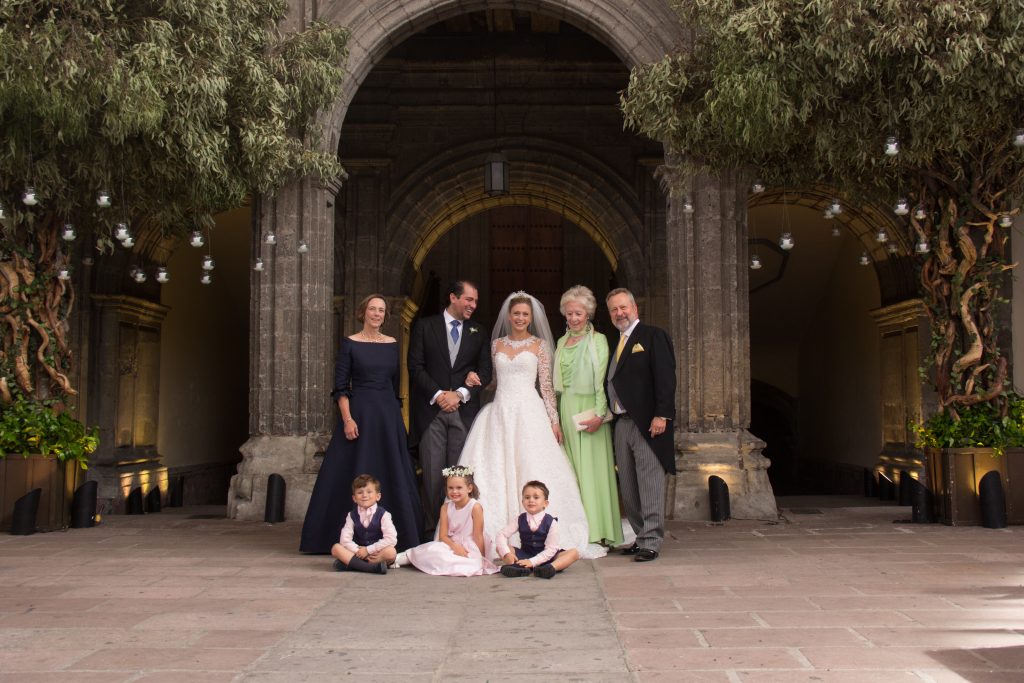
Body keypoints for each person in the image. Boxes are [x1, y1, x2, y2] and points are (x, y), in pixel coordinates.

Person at [456, 291, 605, 559]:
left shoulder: (539, 345)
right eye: (517, 314)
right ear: (509, 316)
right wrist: (475, 378)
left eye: (525, 314)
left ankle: (540, 529)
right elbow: (493, 381)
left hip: (530, 412)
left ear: (531, 317)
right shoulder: (497, 344)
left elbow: (546, 387)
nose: (521, 318)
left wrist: (554, 421)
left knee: (531, 464)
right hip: (499, 413)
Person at [300, 295, 422, 554]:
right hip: (360, 414)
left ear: (385, 315)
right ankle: (342, 537)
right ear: (362, 312)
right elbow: (341, 388)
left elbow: (394, 384)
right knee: (352, 467)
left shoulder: (392, 344)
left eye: (381, 310)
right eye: (372, 309)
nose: (377, 314)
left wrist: (398, 421)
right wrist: (347, 419)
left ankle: (397, 537)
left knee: (393, 469)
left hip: (387, 414)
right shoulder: (350, 344)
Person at [408, 280, 493, 539]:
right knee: (433, 475)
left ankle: (457, 531)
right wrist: (438, 394)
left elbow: (485, 372)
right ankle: (432, 532)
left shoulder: (478, 331)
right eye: (469, 300)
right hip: (431, 412)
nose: (473, 305)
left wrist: (459, 394)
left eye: (476, 301)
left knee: (459, 476)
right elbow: (415, 366)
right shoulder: (424, 326)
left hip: (463, 412)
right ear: (453, 298)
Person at [605, 288, 677, 562]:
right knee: (629, 485)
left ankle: (652, 540)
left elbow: (666, 378)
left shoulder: (653, 336)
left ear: (634, 308)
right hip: (622, 423)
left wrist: (662, 415)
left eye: (623, 307)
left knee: (649, 482)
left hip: (648, 422)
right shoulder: (618, 343)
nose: (619, 313)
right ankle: (639, 535)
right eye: (614, 309)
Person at [554, 285, 624, 547]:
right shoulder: (561, 342)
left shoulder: (599, 340)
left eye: (578, 313)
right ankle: (576, 529)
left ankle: (598, 530)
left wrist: (599, 414)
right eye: (569, 313)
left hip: (592, 410)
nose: (573, 318)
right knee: (571, 471)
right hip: (567, 408)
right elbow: (557, 387)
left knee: (593, 471)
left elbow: (603, 381)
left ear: (588, 314)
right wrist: (556, 420)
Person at [400, 465, 498, 576]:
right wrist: (455, 547)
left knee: (470, 564)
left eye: (459, 488)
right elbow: (443, 536)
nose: (454, 491)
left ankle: (413, 560)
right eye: (450, 488)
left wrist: (482, 559)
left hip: (471, 546)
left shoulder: (475, 507)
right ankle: (400, 559)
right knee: (432, 550)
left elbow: (478, 536)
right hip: (451, 544)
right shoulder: (445, 508)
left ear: (469, 488)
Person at [496, 480, 580, 579]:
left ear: (545, 503)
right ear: (523, 502)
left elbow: (551, 549)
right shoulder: (519, 519)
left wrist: (533, 562)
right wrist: (507, 553)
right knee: (501, 548)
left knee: (574, 553)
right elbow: (501, 535)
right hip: (526, 555)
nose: (531, 500)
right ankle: (517, 567)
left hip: (549, 558)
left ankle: (550, 568)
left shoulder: (551, 522)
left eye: (536, 497)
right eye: (527, 497)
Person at [330, 474, 396, 575]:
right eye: (360, 492)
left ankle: (353, 564)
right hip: (357, 552)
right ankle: (371, 568)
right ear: (354, 498)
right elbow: (344, 540)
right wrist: (358, 551)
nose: (364, 495)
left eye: (369, 492)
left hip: (376, 552)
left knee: (391, 552)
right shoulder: (351, 515)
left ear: (378, 496)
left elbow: (391, 539)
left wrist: (368, 550)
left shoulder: (384, 514)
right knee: (336, 548)